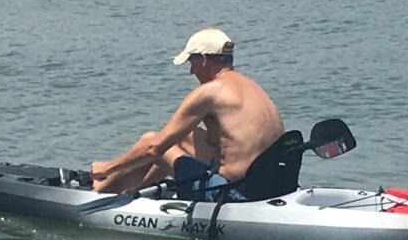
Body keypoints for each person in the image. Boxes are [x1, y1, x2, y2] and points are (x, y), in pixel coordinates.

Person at [90, 27, 285, 195]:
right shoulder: (251, 87)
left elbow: (153, 148)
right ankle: (139, 192)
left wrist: (107, 168)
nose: (191, 71)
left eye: (191, 63)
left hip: (233, 194)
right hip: (272, 185)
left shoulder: (209, 92)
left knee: (153, 141)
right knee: (184, 137)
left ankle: (99, 192)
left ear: (202, 60)